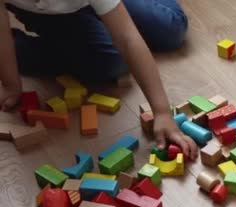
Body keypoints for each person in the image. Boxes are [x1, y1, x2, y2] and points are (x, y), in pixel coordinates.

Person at [0, 0, 198, 159]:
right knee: (110, 62)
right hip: (48, 14)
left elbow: (127, 37)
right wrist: (11, 84)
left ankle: (101, 15)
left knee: (172, 28)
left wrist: (162, 112)